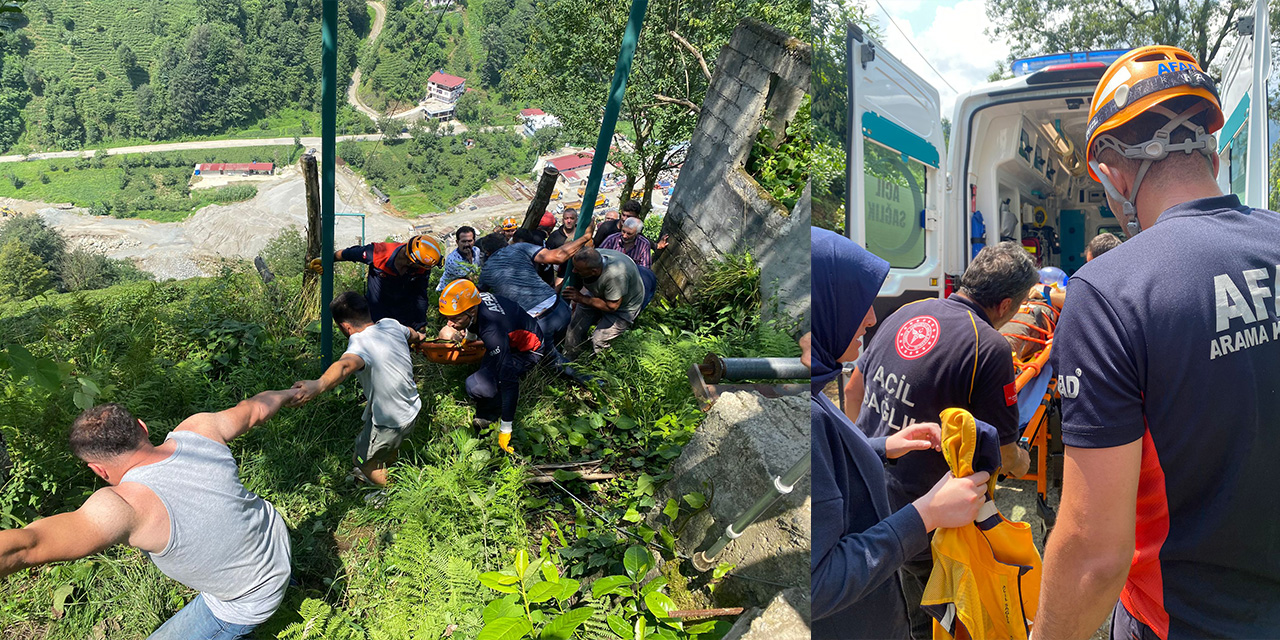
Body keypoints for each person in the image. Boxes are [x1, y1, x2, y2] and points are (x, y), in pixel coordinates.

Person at [1035, 46, 1280, 639]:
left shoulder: (1106, 294)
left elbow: (1096, 555)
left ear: (1115, 170)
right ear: (1213, 153)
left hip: (1182, 623)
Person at [810, 227, 991, 639]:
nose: (872, 317)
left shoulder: (811, 385)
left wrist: (880, 447)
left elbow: (830, 464)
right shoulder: (801, 413)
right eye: (860, 303)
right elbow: (818, 583)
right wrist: (925, 515)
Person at [848, 241, 1035, 639]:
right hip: (922, 516)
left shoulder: (907, 311)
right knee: (933, 620)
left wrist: (861, 452)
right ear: (1005, 305)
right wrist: (1022, 463)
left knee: (890, 597)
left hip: (867, 490)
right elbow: (1002, 451)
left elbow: (854, 387)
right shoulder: (988, 346)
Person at [0, 394, 299, 638]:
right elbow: (254, 409)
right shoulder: (198, 430)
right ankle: (290, 582)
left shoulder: (122, 507)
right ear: (142, 428)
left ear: (97, 470)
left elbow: (29, 545)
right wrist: (295, 392)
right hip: (276, 539)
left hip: (250, 597)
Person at [290, 292, 425, 487]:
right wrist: (420, 337)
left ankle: (394, 490)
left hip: (390, 422)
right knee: (387, 447)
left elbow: (344, 366)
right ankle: (386, 463)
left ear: (345, 327)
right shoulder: (391, 324)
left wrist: (317, 385)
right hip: (411, 409)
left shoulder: (359, 343)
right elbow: (412, 334)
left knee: (361, 460)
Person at [438, 279, 553, 453]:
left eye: (454, 319)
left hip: (527, 351)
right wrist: (468, 339)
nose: (449, 324)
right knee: (482, 375)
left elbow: (509, 382)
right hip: (509, 340)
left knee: (476, 386)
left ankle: (491, 416)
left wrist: (506, 429)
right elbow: (475, 323)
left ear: (471, 311)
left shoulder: (493, 332)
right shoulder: (476, 301)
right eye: (447, 318)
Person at [478, 224, 594, 343]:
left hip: (537, 325)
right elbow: (559, 256)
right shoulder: (520, 248)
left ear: (487, 252)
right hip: (559, 309)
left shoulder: (485, 270)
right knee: (572, 346)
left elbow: (478, 299)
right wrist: (585, 237)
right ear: (506, 243)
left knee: (549, 359)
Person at [314, 234, 444, 330]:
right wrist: (324, 259)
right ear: (411, 261)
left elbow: (420, 296)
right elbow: (348, 254)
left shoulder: (422, 267)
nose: (423, 270)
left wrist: (420, 325)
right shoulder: (378, 253)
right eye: (421, 267)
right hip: (376, 316)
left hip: (404, 318)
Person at [563, 248, 646, 359]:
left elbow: (612, 306)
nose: (574, 271)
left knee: (599, 339)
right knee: (575, 326)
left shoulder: (615, 276)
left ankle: (600, 366)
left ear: (594, 271)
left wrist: (581, 298)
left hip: (623, 307)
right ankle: (569, 358)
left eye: (578, 270)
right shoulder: (591, 256)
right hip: (599, 293)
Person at [436, 226, 483, 291]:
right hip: (448, 292)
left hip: (464, 289)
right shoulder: (453, 260)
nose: (467, 244)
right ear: (457, 242)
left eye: (470, 241)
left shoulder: (476, 250)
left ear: (474, 241)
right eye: (463, 241)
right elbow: (471, 279)